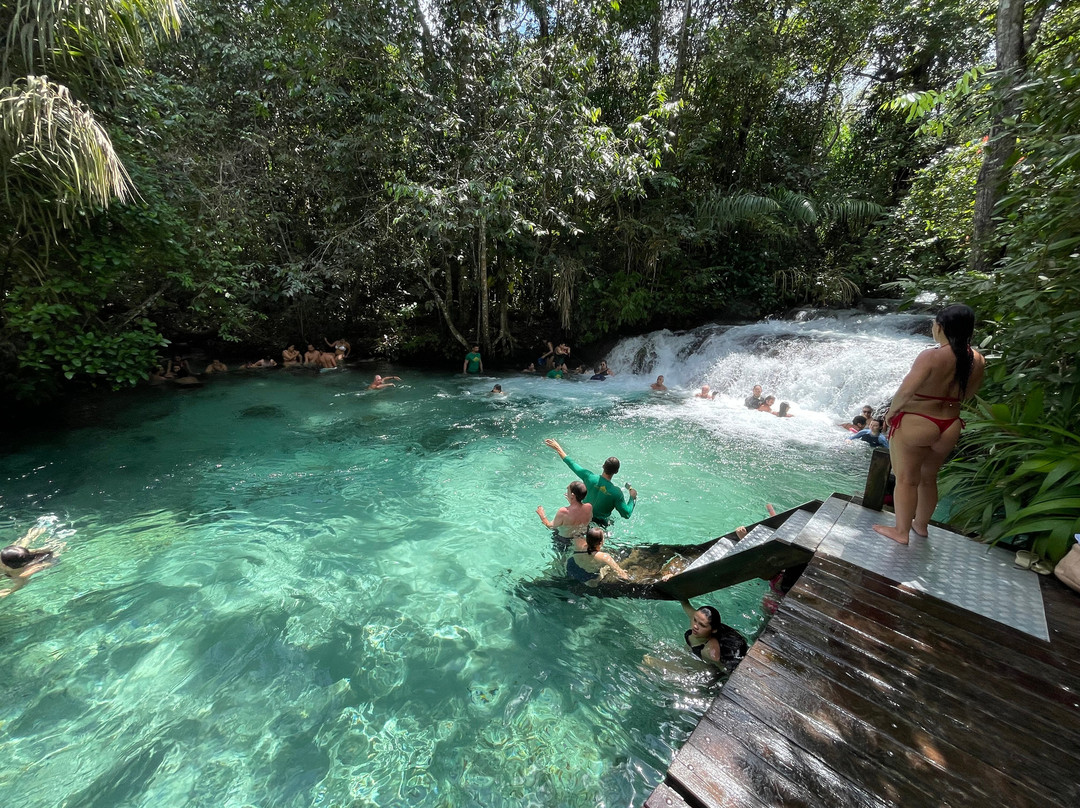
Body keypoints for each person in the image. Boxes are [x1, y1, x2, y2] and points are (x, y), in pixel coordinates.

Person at [873, 304, 986, 545]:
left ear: (940, 327)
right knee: (928, 477)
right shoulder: (977, 359)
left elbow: (905, 391)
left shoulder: (931, 356)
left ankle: (901, 531)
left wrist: (890, 414)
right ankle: (921, 526)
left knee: (906, 479)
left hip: (917, 421)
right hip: (950, 424)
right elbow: (968, 395)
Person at [543, 439, 636, 526]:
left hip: (582, 516)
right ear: (616, 472)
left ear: (603, 466)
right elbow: (626, 514)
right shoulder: (616, 493)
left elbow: (572, 464)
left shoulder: (589, 477)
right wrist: (632, 498)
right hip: (600, 524)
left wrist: (557, 447)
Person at [679, 598, 748, 672]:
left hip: (715, 666)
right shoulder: (698, 619)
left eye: (702, 625)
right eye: (695, 620)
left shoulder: (711, 652)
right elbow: (685, 603)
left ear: (713, 630)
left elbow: (726, 670)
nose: (695, 626)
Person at [1, 527, 58, 598]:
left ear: (4, 565)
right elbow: (27, 539)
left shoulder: (21, 576)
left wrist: (7, 593)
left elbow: (19, 586)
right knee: (23, 548)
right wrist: (34, 532)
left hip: (49, 561)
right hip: (24, 556)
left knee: (44, 564)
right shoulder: (18, 553)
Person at [536, 481, 593, 551]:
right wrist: (573, 502)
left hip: (563, 541)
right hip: (580, 537)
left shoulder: (563, 512)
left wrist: (542, 515)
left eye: (568, 488)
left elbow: (550, 526)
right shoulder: (589, 507)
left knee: (560, 560)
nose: (566, 487)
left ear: (572, 495)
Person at [566, 527, 630, 584]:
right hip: (587, 575)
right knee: (604, 572)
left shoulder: (579, 544)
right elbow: (621, 574)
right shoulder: (604, 557)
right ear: (601, 542)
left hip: (571, 566)